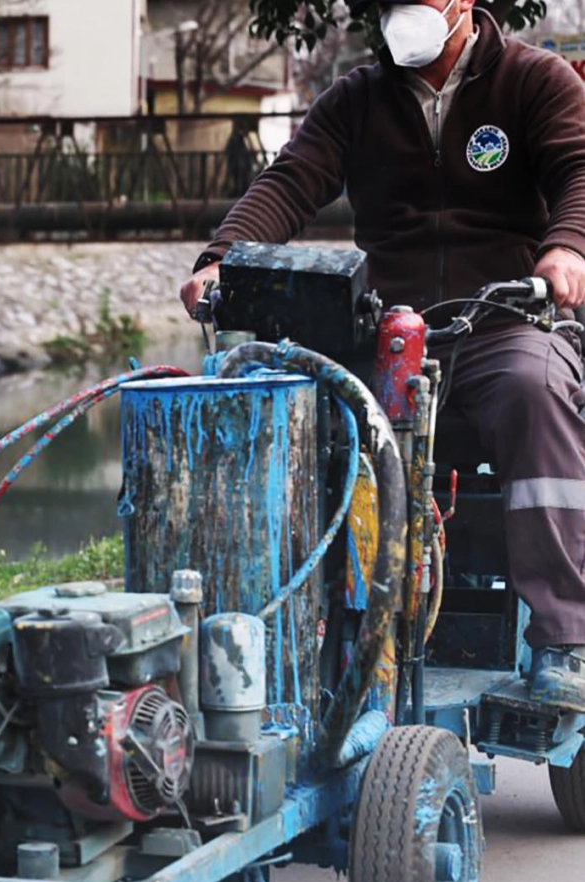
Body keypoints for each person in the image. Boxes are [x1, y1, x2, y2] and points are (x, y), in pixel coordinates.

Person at [176, 0, 585, 707]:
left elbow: (580, 170)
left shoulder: (534, 80)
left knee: (533, 388)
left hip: (502, 326)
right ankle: (295, 632)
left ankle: (565, 641)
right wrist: (222, 260)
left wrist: (565, 250)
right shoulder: (357, 99)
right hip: (388, 333)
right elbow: (290, 179)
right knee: (295, 411)